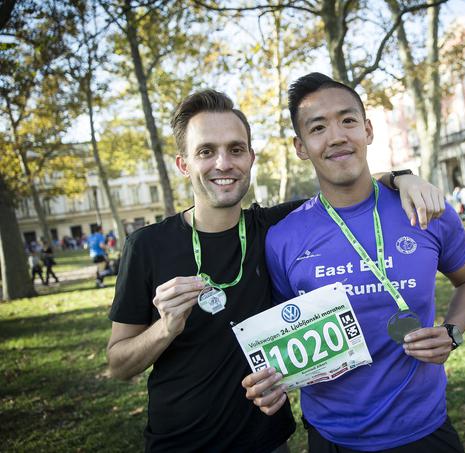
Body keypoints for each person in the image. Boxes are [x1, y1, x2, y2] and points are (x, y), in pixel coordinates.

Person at [106, 88, 446, 452]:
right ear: (184, 164)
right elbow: (119, 365)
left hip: (267, 442)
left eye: (236, 149)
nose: (223, 163)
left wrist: (403, 177)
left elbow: (347, 180)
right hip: (179, 443)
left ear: (250, 158)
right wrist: (165, 328)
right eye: (206, 151)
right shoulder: (146, 245)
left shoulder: (277, 228)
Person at [243, 73, 465, 452]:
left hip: (424, 430)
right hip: (332, 436)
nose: (337, 136)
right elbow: (283, 332)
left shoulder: (423, 209)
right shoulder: (283, 238)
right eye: (318, 127)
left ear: (368, 130)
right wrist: (270, 381)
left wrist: (452, 332)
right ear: (301, 147)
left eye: (348, 120)